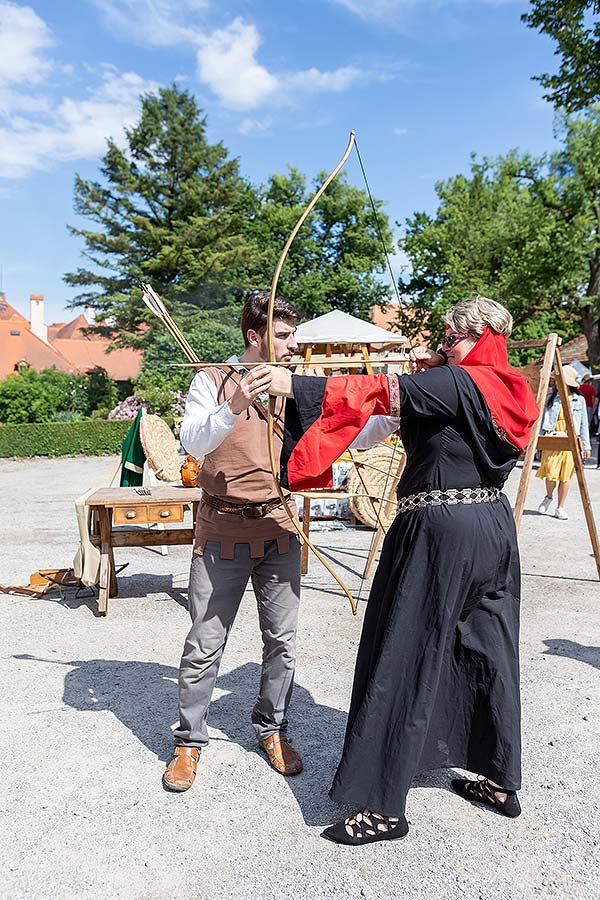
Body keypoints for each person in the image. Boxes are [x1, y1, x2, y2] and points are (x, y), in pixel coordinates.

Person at [267, 295, 538, 846]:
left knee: (405, 651)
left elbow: (374, 390)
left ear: (480, 334)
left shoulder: (461, 382)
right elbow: (411, 408)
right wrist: (437, 371)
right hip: (491, 527)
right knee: (487, 648)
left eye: (452, 338)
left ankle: (384, 808)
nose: (444, 346)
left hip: (438, 529)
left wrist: (292, 385)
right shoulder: (510, 385)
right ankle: (500, 778)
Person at [163, 292, 305, 792]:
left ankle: (271, 730)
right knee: (204, 643)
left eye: (293, 334)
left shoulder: (294, 383)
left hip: (279, 529)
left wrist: (393, 411)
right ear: (254, 336)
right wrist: (235, 403)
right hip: (222, 529)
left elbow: (345, 430)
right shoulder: (210, 379)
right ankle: (188, 742)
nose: (293, 345)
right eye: (283, 335)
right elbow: (193, 442)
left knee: (282, 643)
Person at [536, 365, 591, 520]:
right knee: (550, 472)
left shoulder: (578, 400)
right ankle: (548, 496)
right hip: (552, 439)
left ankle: (560, 507)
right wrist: (537, 442)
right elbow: (541, 422)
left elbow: (583, 425)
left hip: (570, 441)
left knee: (565, 476)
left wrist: (586, 446)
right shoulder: (550, 399)